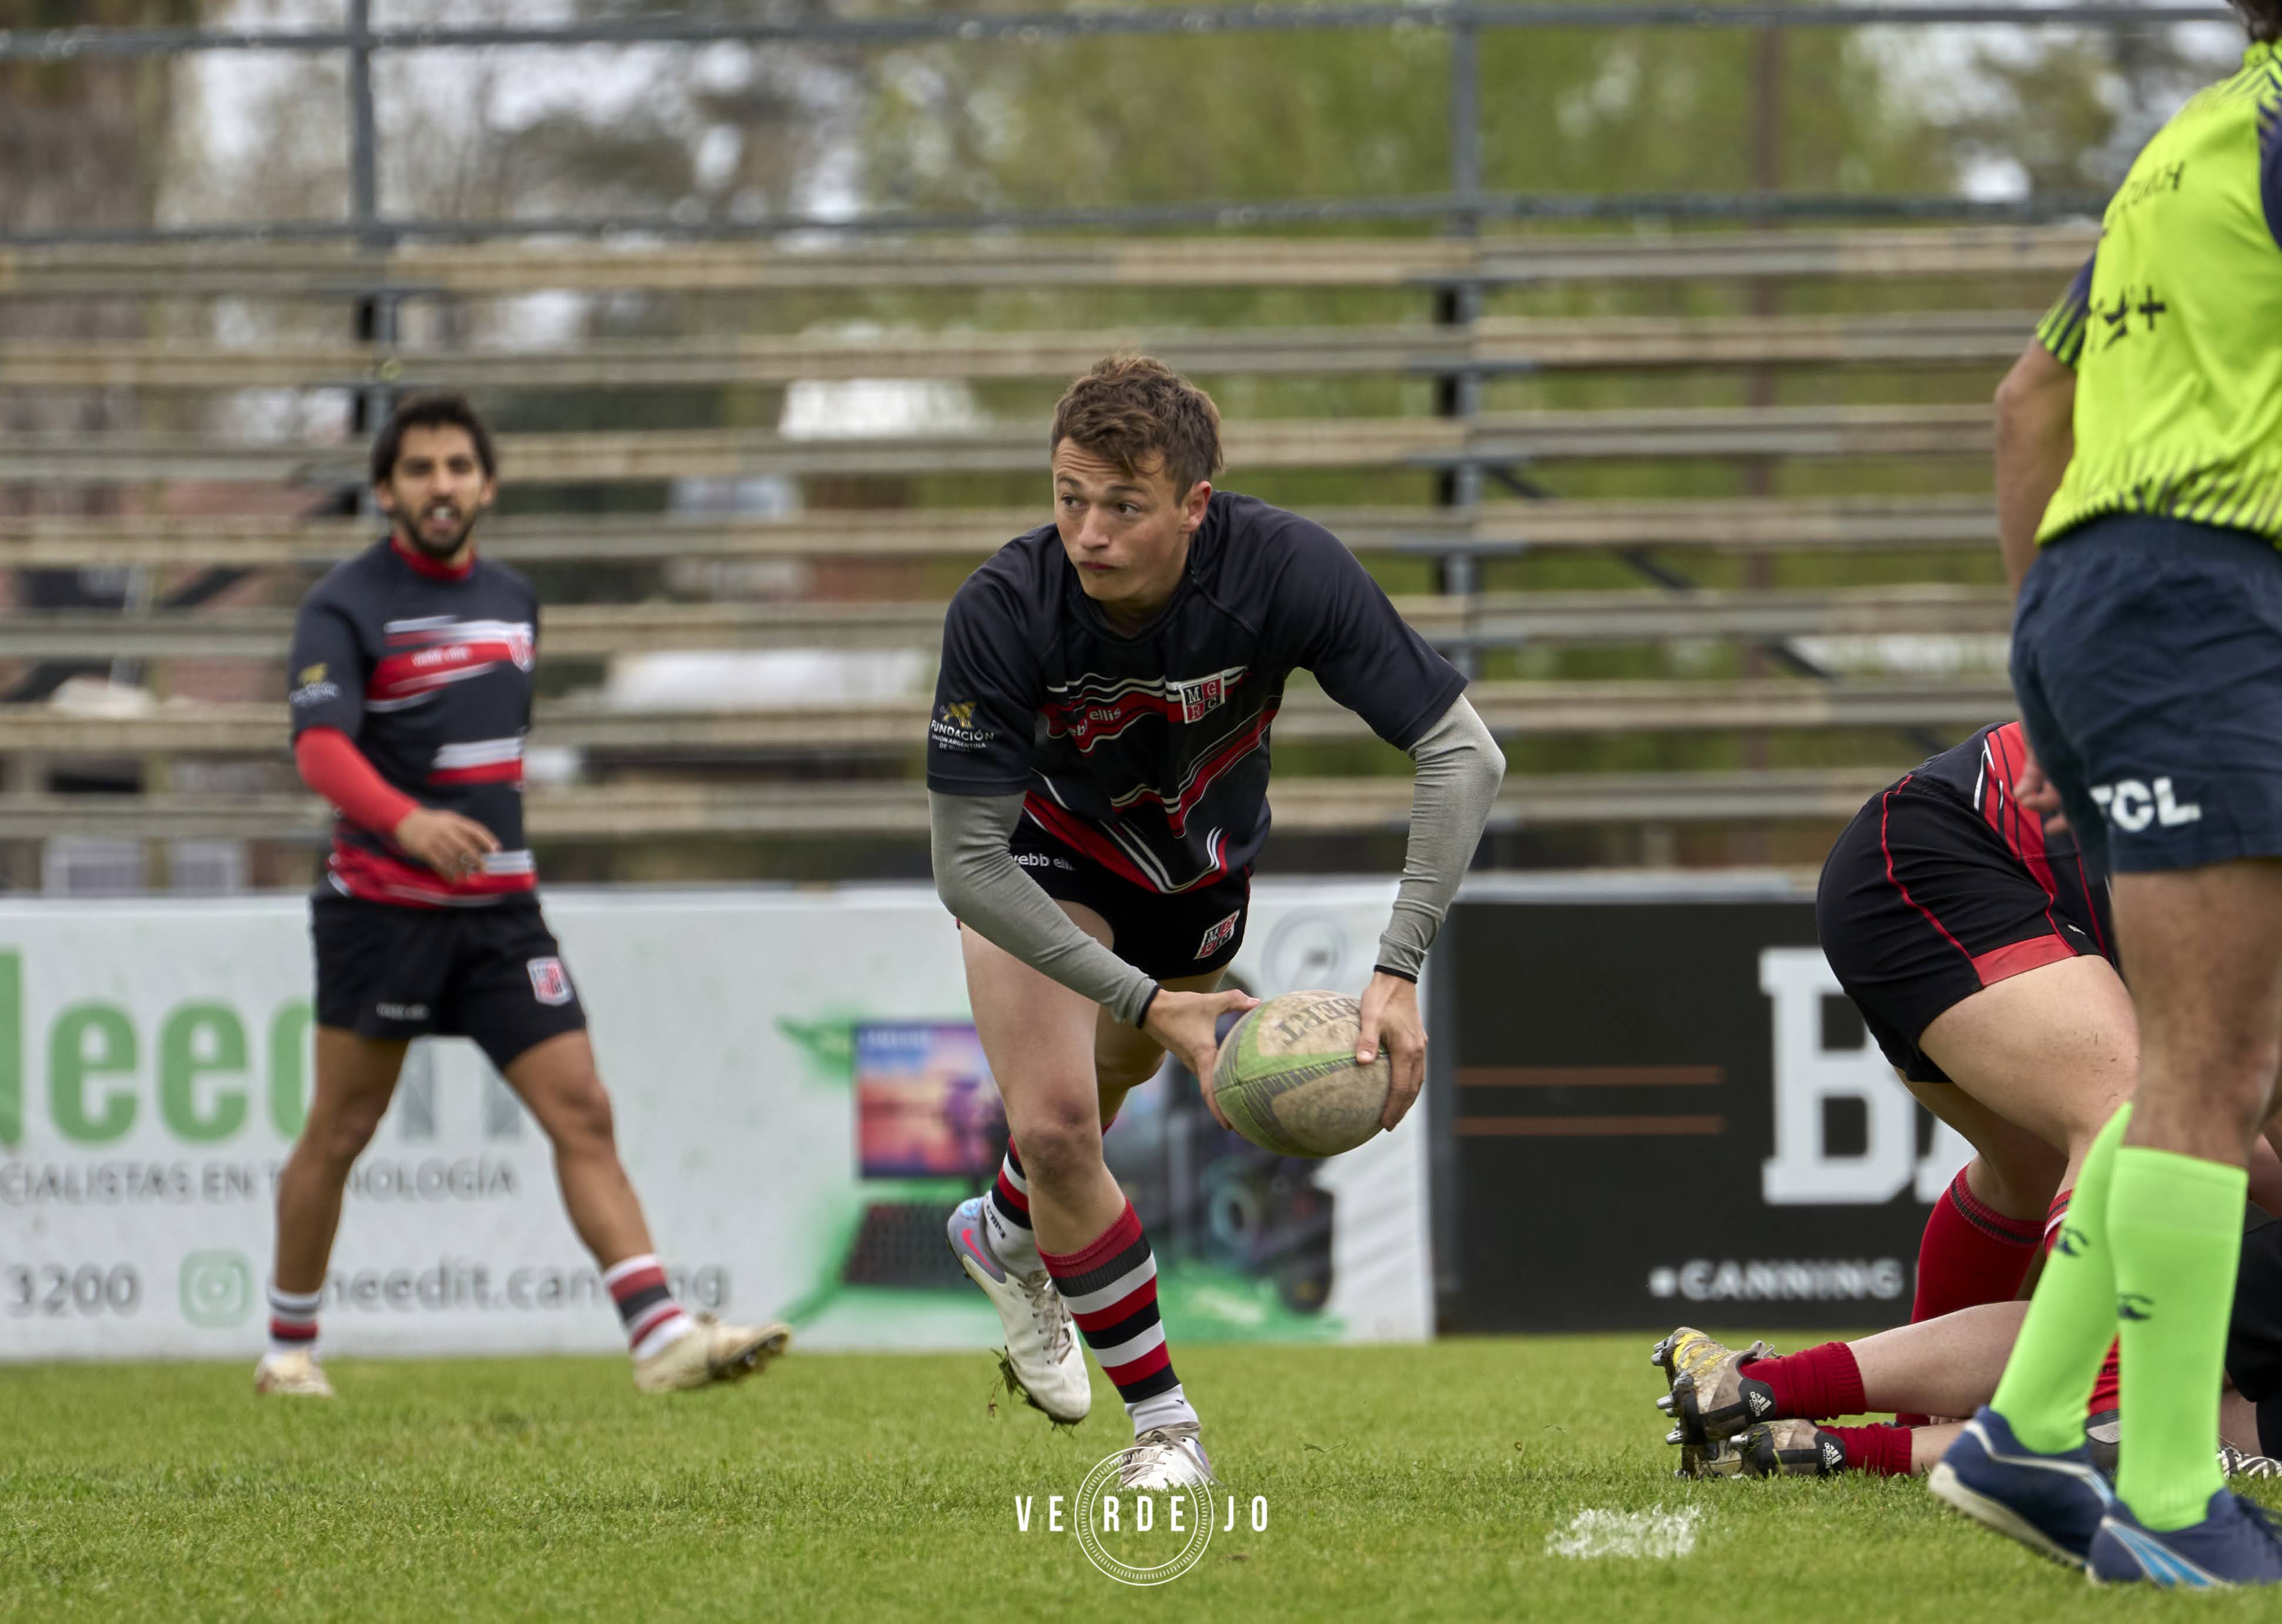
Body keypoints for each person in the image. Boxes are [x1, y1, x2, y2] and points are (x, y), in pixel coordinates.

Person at [929, 357, 1504, 1488]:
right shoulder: (1003, 611)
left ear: (1196, 504)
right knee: (1056, 1129)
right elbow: (965, 865)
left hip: (1196, 880)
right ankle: (1166, 1432)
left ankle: (999, 1232)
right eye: (1068, 497)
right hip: (1042, 856)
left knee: (1102, 1088)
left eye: (1124, 506)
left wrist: (1396, 971)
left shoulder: (1285, 568)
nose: (1088, 533)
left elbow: (1462, 753)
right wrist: (1155, 1004)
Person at [1932, 8, 2282, 1582]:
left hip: (2095, 602)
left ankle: (2019, 1428)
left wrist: (2048, 666)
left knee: (2217, 1059)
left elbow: (2024, 406)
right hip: (2204, 599)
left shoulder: (2190, 142)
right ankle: (2162, 1505)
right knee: (2221, 1067)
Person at [259, 392, 790, 1397]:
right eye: (419, 469)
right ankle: (289, 1346)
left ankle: (659, 1337)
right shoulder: (343, 605)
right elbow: (320, 750)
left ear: (488, 483)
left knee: (583, 1109)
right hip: (384, 912)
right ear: (385, 491)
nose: (442, 485)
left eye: (459, 466)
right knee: (340, 1129)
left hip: (503, 916)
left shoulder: (515, 598)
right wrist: (409, 823)